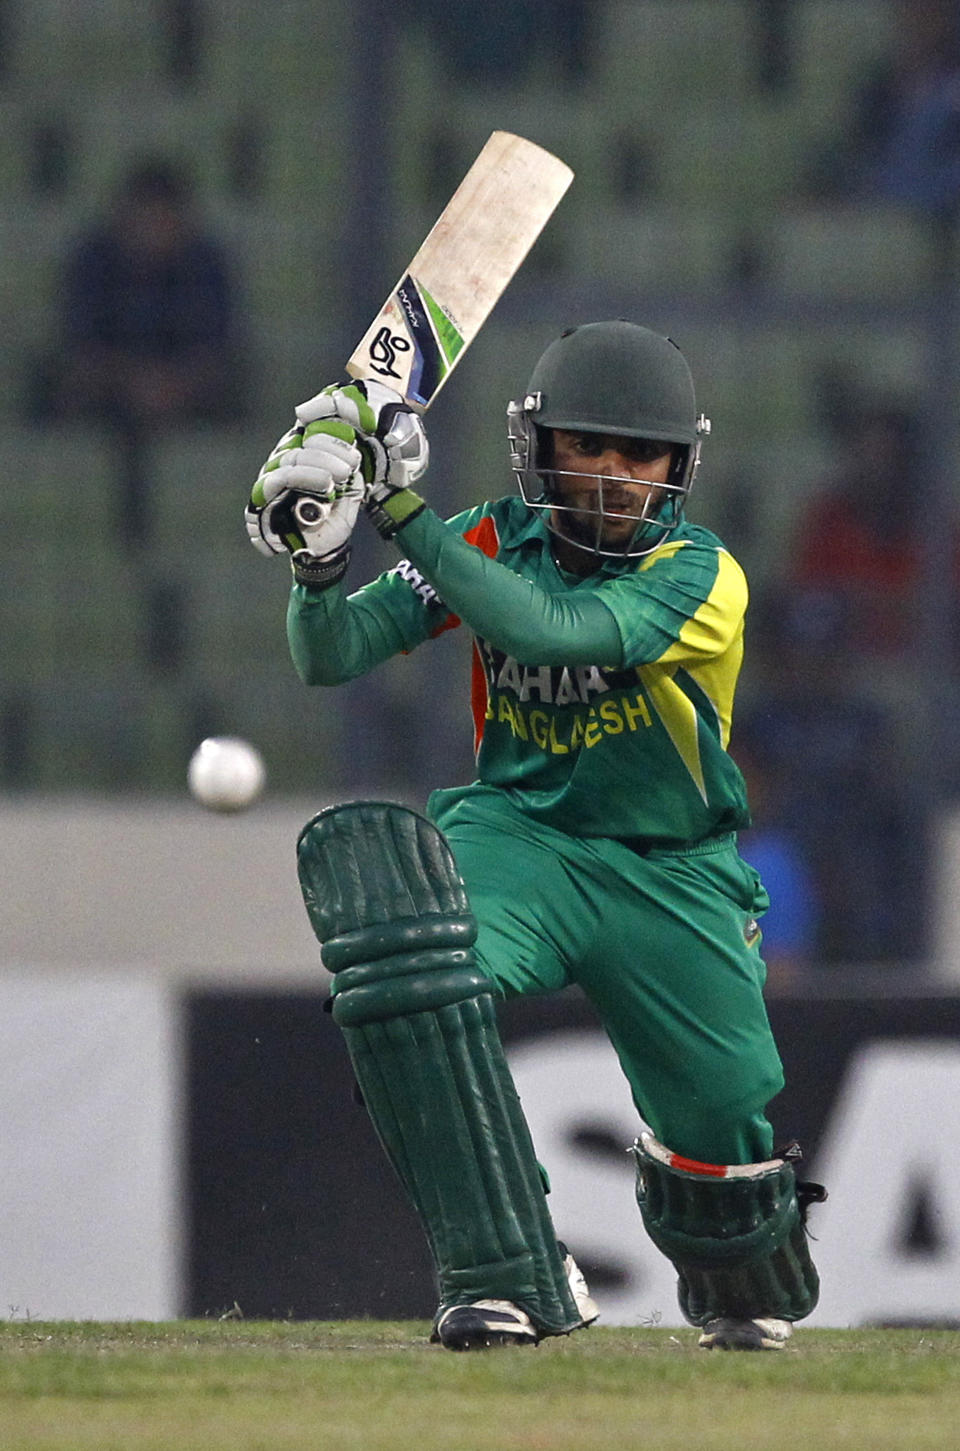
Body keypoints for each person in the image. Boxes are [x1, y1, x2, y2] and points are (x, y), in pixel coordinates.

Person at [245, 321, 824, 1352]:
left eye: (639, 455)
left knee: (728, 1159)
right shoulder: (482, 537)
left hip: (670, 868)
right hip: (523, 839)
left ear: (678, 467)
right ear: (538, 446)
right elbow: (328, 656)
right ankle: (503, 1266)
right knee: (410, 964)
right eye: (586, 446)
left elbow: (543, 630)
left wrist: (391, 503)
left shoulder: (702, 575)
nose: (612, 475)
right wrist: (320, 559)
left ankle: (733, 1272)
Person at [30, 157, 246, 544]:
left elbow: (218, 351)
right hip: (109, 399)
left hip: (189, 400)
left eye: (162, 220)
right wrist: (133, 383)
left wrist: (173, 385)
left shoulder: (205, 265)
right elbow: (78, 349)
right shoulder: (93, 260)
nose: (152, 232)